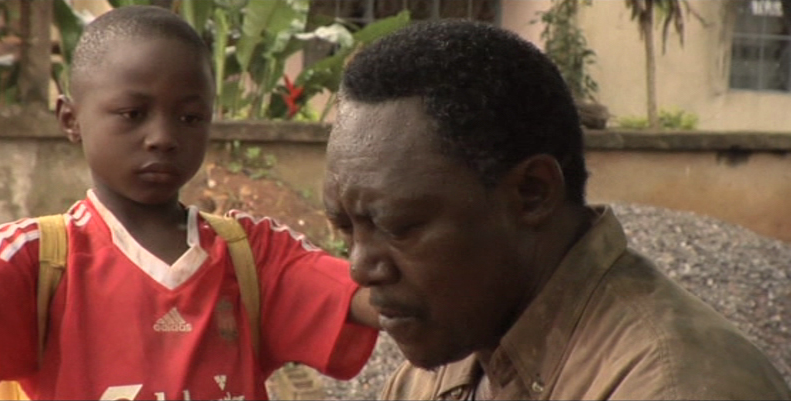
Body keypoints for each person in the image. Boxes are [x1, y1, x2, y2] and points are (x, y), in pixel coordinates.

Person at [0, 6, 378, 400]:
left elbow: (376, 298)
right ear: (70, 119)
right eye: (133, 114)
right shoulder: (36, 255)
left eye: (190, 117)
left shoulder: (253, 256)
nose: (163, 137)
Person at [323, 20, 791, 400]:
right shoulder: (450, 356)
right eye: (346, 227)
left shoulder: (676, 385)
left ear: (532, 192)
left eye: (397, 226)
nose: (360, 267)